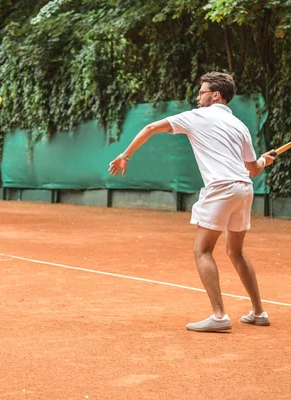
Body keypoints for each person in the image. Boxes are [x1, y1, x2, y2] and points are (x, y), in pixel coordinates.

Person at [108, 72, 276, 332]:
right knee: (236, 251)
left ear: (215, 95)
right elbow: (254, 170)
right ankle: (259, 312)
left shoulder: (198, 116)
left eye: (202, 93)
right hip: (244, 189)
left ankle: (219, 316)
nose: (198, 98)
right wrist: (264, 160)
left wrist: (125, 155)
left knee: (202, 250)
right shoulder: (240, 125)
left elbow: (152, 127)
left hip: (221, 187)